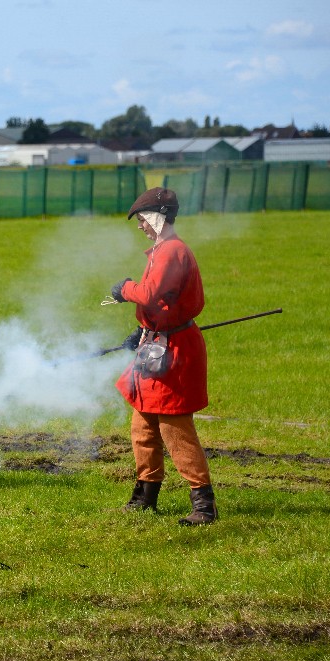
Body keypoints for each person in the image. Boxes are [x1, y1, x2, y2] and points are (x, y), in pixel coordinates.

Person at [109, 187, 218, 525]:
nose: (140, 225)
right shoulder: (162, 250)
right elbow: (159, 304)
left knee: (175, 428)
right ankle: (145, 497)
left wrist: (124, 289)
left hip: (175, 352)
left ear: (157, 216)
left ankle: (204, 505)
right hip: (157, 344)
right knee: (142, 425)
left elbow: (150, 292)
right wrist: (143, 329)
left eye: (142, 219)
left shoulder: (171, 251)